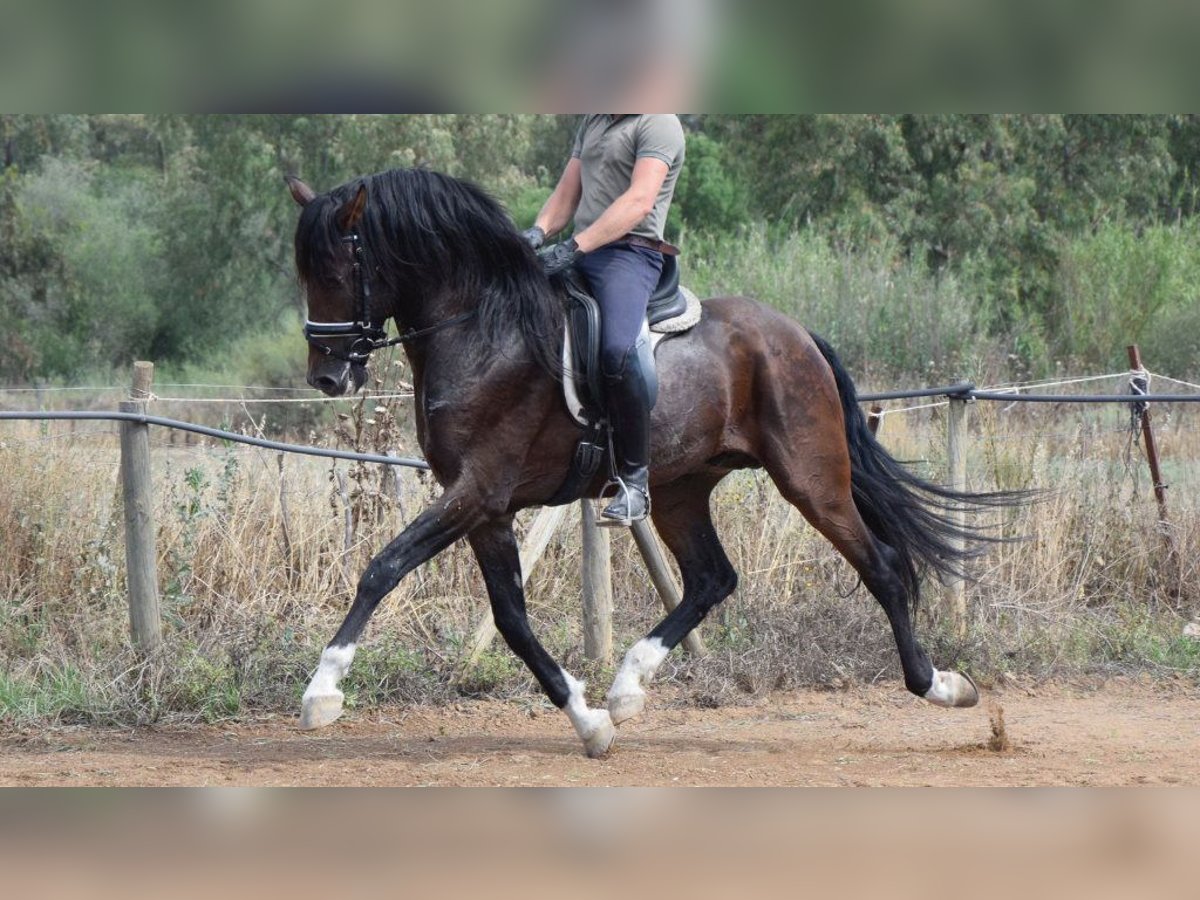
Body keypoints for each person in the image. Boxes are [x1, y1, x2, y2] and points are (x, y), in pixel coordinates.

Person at [523, 114, 686, 525]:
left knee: (617, 349)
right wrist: (537, 234)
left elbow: (638, 202)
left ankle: (634, 483)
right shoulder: (594, 119)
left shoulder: (658, 123)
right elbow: (565, 196)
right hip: (582, 250)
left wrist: (575, 246)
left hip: (630, 255)